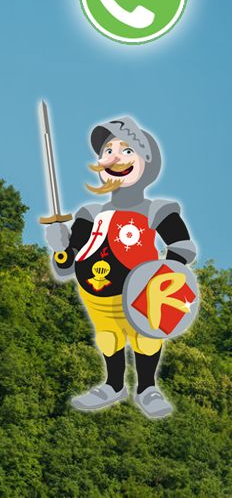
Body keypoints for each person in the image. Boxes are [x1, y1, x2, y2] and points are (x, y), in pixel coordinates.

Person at [45, 117, 195, 418]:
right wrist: (61, 248)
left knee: (146, 337)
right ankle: (113, 385)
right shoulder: (90, 213)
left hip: (141, 295)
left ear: (146, 165)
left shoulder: (158, 210)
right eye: (108, 150)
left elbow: (183, 248)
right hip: (97, 296)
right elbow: (68, 264)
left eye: (127, 151)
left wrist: (162, 280)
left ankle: (147, 387)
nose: (114, 157)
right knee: (108, 337)